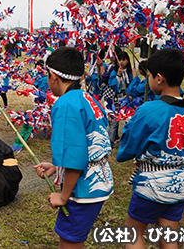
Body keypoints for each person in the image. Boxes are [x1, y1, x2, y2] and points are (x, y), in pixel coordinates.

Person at [117, 48, 184, 249]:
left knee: (133, 233)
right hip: (182, 184)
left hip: (153, 183)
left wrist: (135, 154)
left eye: (148, 75)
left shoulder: (149, 110)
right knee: (168, 233)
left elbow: (127, 148)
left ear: (158, 78)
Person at [33, 47, 114, 249]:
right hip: (99, 178)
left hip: (84, 188)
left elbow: (75, 156)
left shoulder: (66, 104)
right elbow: (86, 145)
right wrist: (56, 166)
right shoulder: (87, 97)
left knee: (70, 243)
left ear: (53, 75)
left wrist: (63, 195)